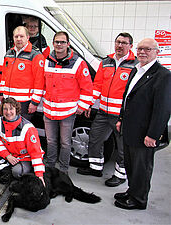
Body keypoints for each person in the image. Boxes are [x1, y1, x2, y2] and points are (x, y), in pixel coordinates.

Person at [113, 38, 171, 210]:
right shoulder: (136, 70)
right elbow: (127, 97)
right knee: (131, 164)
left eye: (147, 49)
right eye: (140, 49)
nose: (142, 52)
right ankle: (132, 191)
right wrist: (121, 119)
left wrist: (154, 135)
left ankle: (139, 200)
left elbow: (163, 109)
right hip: (130, 128)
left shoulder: (163, 76)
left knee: (142, 168)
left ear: (156, 52)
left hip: (145, 133)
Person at [77, 33, 138, 187]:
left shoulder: (135, 65)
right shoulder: (106, 62)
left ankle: (120, 175)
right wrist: (88, 104)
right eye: (118, 42)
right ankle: (95, 168)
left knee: (122, 147)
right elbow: (97, 86)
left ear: (130, 46)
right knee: (95, 139)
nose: (120, 45)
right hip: (104, 112)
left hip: (120, 115)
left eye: (124, 43)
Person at [42, 31, 93, 173]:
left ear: (68, 44)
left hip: (67, 112)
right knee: (51, 141)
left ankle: (63, 171)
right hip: (49, 110)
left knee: (65, 143)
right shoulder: (47, 61)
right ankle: (51, 169)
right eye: (57, 42)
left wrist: (81, 107)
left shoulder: (78, 63)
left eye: (62, 42)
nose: (59, 45)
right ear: (53, 43)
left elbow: (87, 88)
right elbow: (42, 84)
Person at [0, 97, 45, 185]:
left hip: (25, 158)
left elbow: (36, 153)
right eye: (5, 109)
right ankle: (7, 172)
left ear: (17, 110)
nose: (8, 112)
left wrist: (39, 176)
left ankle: (23, 171)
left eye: (11, 109)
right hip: (11, 155)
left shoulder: (27, 128)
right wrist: (7, 156)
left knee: (17, 172)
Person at [0, 26, 45, 121]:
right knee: (9, 127)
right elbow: (4, 75)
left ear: (28, 37)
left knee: (22, 129)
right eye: (16, 36)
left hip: (24, 102)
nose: (19, 39)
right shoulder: (9, 53)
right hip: (8, 99)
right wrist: (1, 93)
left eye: (21, 36)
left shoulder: (35, 55)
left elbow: (39, 80)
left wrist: (35, 102)